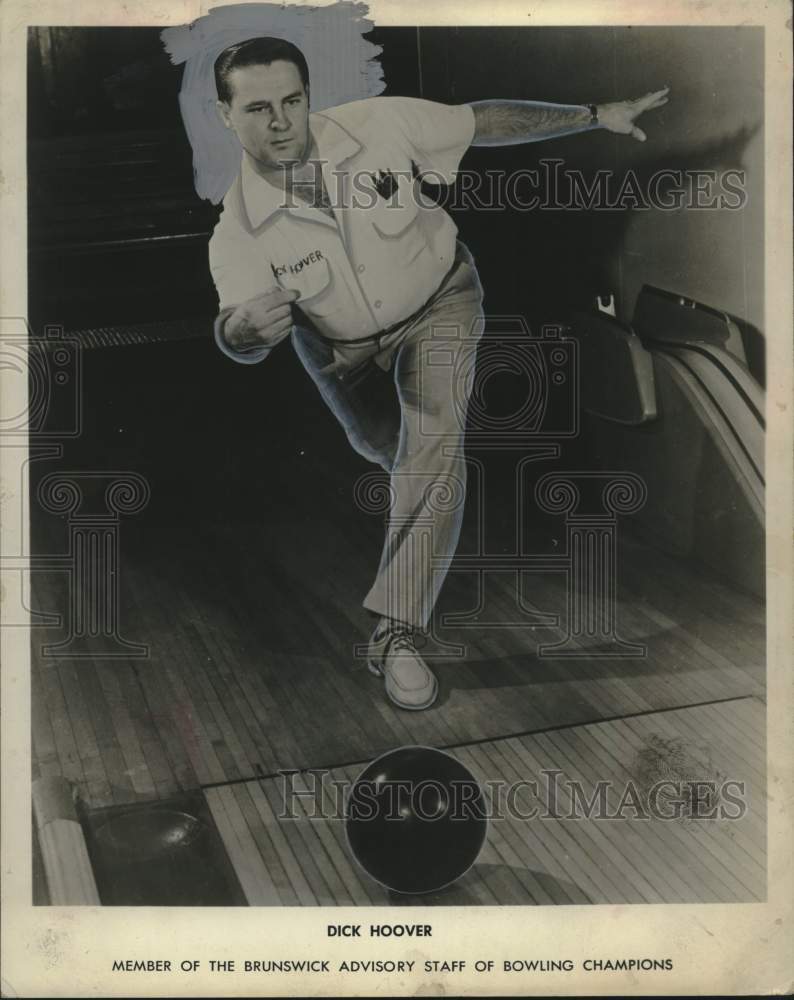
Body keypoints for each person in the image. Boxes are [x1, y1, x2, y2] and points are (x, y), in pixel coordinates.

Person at [209, 36, 668, 711]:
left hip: (440, 305)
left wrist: (595, 113)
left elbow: (483, 119)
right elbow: (234, 332)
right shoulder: (237, 228)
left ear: (309, 97)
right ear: (226, 117)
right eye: (256, 109)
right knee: (397, 454)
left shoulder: (381, 125)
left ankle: (396, 633)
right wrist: (243, 333)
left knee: (435, 440)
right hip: (339, 351)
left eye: (292, 101)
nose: (279, 121)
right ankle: (421, 499)